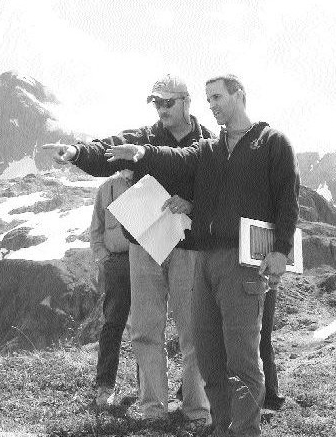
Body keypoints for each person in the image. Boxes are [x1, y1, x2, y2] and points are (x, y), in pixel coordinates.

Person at [102, 74, 300, 437]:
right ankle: (221, 427)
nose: (213, 104)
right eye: (209, 99)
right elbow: (177, 158)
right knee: (209, 356)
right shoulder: (210, 148)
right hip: (205, 259)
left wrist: (281, 252)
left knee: (241, 357)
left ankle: (243, 431)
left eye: (218, 97)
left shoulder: (272, 143)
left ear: (240, 95)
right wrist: (144, 153)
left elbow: (288, 200)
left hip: (243, 262)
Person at [43, 75, 213, 426]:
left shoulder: (208, 142)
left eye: (168, 102)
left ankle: (197, 411)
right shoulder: (144, 138)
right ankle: (154, 410)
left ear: (186, 102)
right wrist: (75, 152)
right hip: (145, 245)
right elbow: (107, 149)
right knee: (145, 329)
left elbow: (222, 192)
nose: (162, 109)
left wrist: (193, 204)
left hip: (189, 248)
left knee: (193, 331)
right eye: (156, 103)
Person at [90, 170, 134, 408]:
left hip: (145, 262)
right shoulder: (106, 188)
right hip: (116, 262)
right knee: (113, 324)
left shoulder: (150, 182)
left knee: (146, 325)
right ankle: (104, 386)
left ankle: (147, 387)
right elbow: (96, 228)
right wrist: (104, 257)